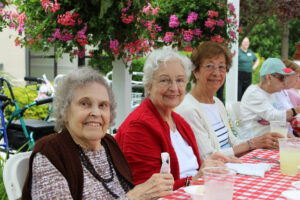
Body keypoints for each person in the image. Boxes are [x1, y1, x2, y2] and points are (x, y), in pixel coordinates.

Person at [22, 67, 174, 200]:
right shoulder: (51, 153)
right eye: (85, 103)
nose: (96, 112)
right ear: (65, 110)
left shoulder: (109, 144)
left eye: (103, 105)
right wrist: (134, 197)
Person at [116, 49, 232, 191]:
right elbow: (145, 191)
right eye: (165, 80)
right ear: (149, 86)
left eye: (179, 80)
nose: (174, 88)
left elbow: (195, 170)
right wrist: (196, 179)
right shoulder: (139, 126)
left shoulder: (179, 122)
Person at [175, 41, 283, 160]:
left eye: (221, 67)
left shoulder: (217, 103)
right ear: (195, 71)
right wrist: (252, 143)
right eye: (209, 66)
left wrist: (264, 140)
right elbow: (207, 157)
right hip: (213, 174)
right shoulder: (188, 109)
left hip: (230, 166)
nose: (216, 73)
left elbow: (232, 142)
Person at [239, 58, 300, 139]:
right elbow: (273, 116)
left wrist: (284, 134)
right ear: (269, 77)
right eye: (282, 78)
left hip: (266, 140)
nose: (285, 82)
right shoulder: (254, 93)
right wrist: (296, 110)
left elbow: (274, 121)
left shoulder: (270, 93)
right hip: (253, 142)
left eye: (286, 78)